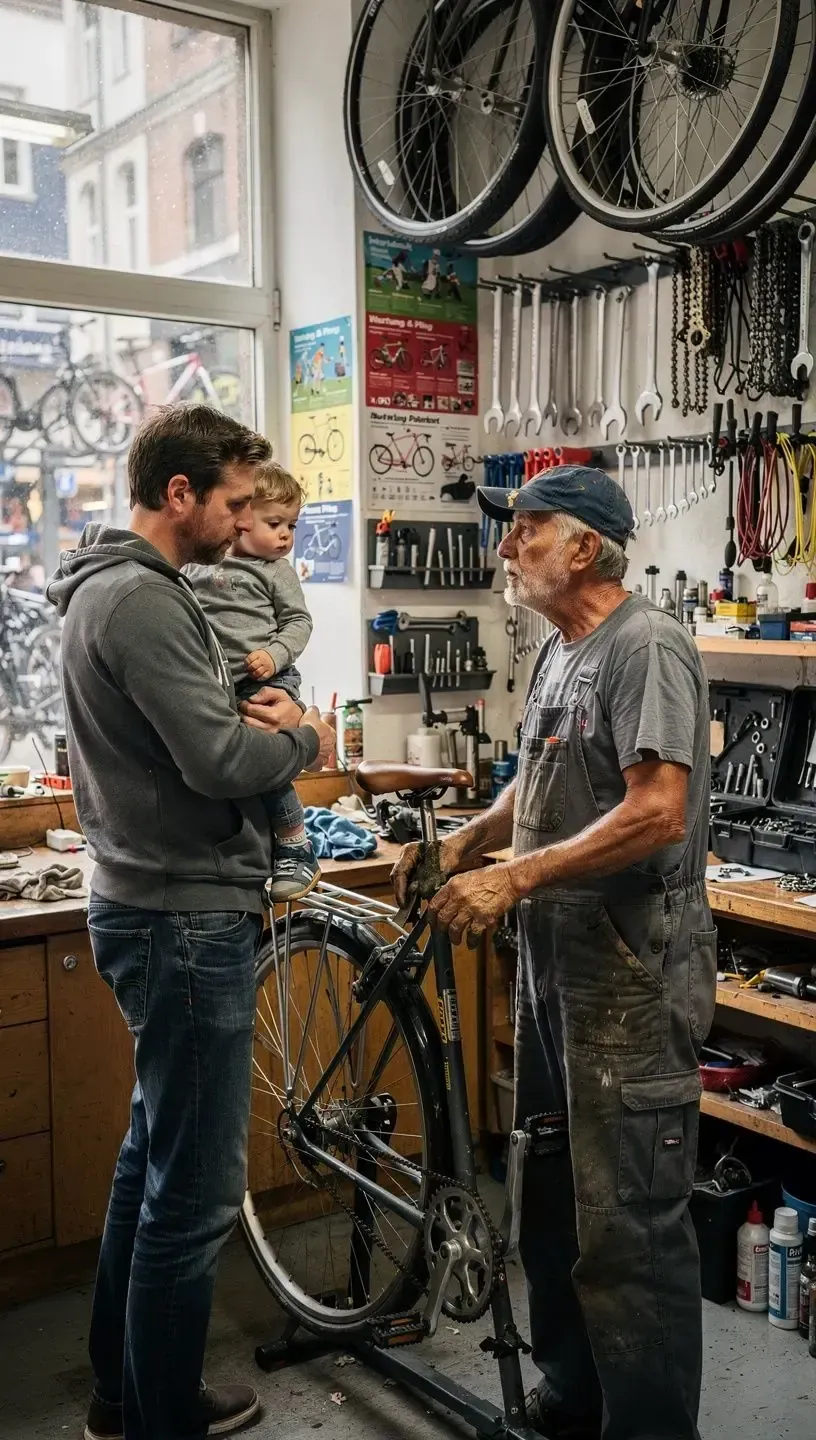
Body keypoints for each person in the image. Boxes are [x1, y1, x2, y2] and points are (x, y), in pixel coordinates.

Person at [392, 467, 716, 1440]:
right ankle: (572, 1398)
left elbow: (659, 812)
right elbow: (530, 789)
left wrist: (518, 879)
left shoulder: (645, 646)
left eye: (522, 531)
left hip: (627, 965)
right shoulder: (558, 653)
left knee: (629, 1230)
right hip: (553, 967)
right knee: (547, 1204)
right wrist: (470, 844)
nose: (503, 549)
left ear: (583, 547)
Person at [47, 405, 335, 1440]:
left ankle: (129, 1396)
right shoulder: (145, 604)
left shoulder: (104, 590)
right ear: (181, 496)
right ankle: (162, 1419)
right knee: (196, 1196)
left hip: (147, 901)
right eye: (233, 501)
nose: (246, 517)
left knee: (149, 1159)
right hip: (183, 917)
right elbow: (220, 761)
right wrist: (300, 738)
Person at [186, 460, 320, 902]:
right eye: (274, 523)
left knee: (267, 765)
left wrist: (273, 654)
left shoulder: (276, 571)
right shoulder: (200, 563)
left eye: (292, 526)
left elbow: (299, 622)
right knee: (230, 760)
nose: (286, 536)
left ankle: (296, 846)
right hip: (220, 684)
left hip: (270, 677)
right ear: (241, 520)